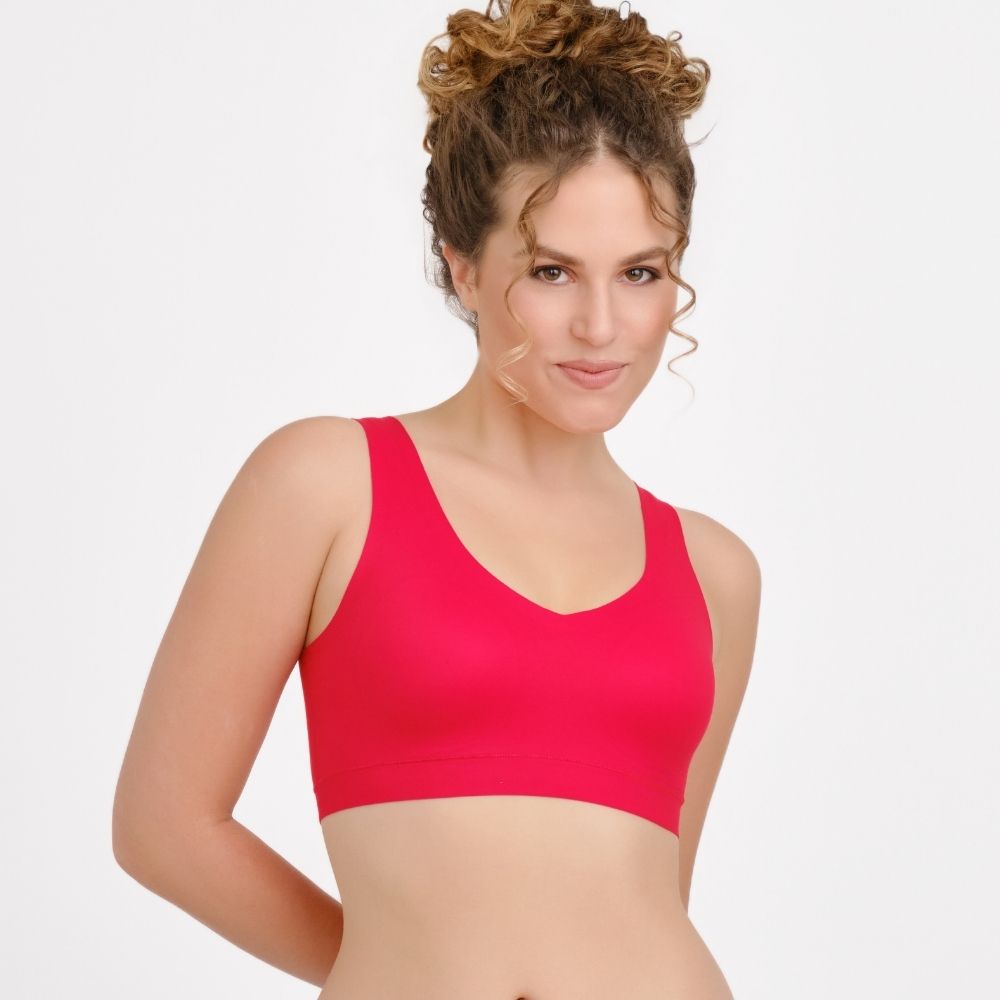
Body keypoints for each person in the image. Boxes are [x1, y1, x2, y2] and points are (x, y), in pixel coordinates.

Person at [111, 1, 761, 997]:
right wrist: (390, 972)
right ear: (462, 267)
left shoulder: (715, 573)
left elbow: (652, 898)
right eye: (551, 272)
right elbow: (163, 828)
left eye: (640, 272)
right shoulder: (326, 485)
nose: (601, 326)